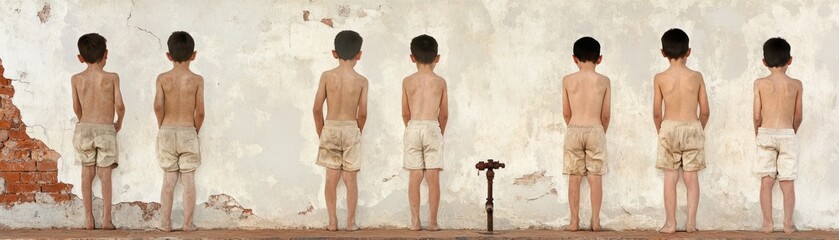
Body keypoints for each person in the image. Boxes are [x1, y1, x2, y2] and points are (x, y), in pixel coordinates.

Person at [652, 28, 710, 233]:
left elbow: (657, 112)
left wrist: (661, 129)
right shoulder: (696, 76)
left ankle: (670, 224)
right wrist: (698, 128)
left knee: (670, 177)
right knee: (691, 178)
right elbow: (705, 111)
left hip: (668, 126)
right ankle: (691, 224)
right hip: (692, 125)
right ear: (689, 52)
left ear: (663, 53)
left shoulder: (660, 78)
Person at [312, 30, 368, 231]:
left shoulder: (327, 76)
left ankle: (332, 222)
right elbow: (362, 113)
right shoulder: (362, 81)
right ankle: (350, 223)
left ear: (334, 53)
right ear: (359, 54)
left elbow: (317, 108)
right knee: (351, 178)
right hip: (351, 127)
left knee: (331, 178)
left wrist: (322, 132)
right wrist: (357, 131)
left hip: (331, 128)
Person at [71, 33, 125, 230]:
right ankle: (106, 220)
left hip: (83, 127)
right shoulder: (111, 78)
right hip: (105, 129)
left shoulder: (76, 79)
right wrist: (119, 121)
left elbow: (76, 107)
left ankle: (88, 219)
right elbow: (119, 105)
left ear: (80, 58)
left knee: (87, 172)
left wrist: (83, 121)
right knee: (105, 174)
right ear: (106, 54)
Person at [154, 31, 205, 232]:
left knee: (169, 178)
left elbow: (158, 106)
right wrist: (195, 130)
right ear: (194, 55)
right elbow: (200, 112)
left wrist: (162, 126)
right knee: (188, 179)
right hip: (188, 130)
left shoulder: (162, 78)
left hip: (166, 129)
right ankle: (187, 224)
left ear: (168, 55)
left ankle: (165, 224)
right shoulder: (197, 80)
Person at [560, 36, 611, 232]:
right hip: (596, 128)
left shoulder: (568, 81)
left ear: (574, 59)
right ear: (600, 58)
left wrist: (572, 126)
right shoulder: (604, 81)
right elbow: (605, 114)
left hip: (574, 127)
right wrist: (601, 131)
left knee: (574, 176)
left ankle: (574, 222)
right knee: (595, 176)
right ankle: (596, 222)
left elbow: (566, 112)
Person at [753, 37, 802, 234]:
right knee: (787, 182)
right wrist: (791, 132)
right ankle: (788, 225)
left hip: (765, 132)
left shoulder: (759, 83)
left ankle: (767, 224)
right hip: (787, 133)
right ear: (790, 60)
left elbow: (756, 115)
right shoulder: (796, 84)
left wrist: (758, 132)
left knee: (766, 181)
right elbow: (798, 116)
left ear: (764, 62)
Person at [402, 34, 448, 231]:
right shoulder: (440, 82)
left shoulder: (407, 81)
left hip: (413, 126)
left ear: (412, 57)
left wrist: (411, 127)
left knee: (414, 176)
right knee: (432, 177)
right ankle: (433, 222)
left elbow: (405, 112)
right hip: (432, 127)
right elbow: (444, 114)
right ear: (437, 58)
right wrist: (439, 132)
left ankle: (415, 222)